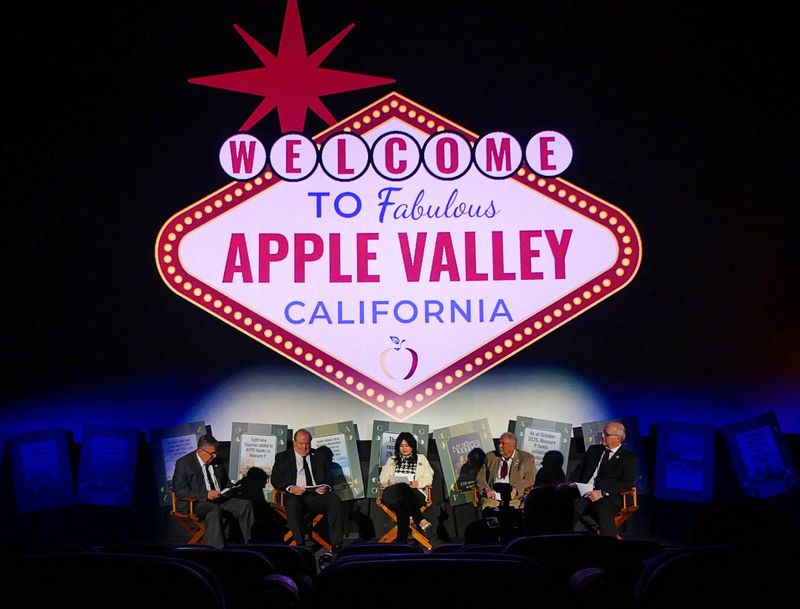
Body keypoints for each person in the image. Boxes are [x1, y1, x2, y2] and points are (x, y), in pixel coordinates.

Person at [172, 434, 255, 548]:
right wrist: (206, 495)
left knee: (245, 505)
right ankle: (216, 551)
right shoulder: (184, 463)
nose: (214, 456)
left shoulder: (216, 461)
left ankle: (250, 546)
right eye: (212, 453)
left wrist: (233, 488)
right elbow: (180, 491)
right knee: (213, 510)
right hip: (196, 503)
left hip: (218, 498)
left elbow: (225, 482)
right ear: (200, 451)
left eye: (216, 453)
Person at [270, 428, 344, 552]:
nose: (305, 447)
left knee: (334, 500)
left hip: (316, 495)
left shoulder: (319, 456)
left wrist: (325, 486)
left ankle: (337, 545)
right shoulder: (283, 457)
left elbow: (329, 478)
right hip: (296, 495)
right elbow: (275, 479)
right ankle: (300, 544)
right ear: (294, 443)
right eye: (301, 444)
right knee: (292, 503)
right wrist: (290, 488)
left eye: (308, 443)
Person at [569, 420, 639, 537]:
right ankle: (560, 538)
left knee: (602, 508)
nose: (602, 436)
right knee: (570, 506)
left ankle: (608, 545)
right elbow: (579, 471)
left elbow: (626, 484)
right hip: (585, 494)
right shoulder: (594, 450)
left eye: (606, 435)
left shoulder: (629, 458)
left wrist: (603, 493)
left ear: (617, 438)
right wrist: (572, 484)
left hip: (609, 497)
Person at [378, 432, 434, 544]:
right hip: (392, 494)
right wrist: (388, 482)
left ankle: (401, 542)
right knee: (402, 486)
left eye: (407, 445)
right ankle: (419, 518)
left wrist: (417, 483)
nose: (404, 448)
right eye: (401, 445)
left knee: (402, 503)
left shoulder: (421, 459)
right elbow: (382, 479)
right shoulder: (392, 460)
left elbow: (429, 477)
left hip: (414, 494)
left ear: (412, 446)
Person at [476, 432, 536, 510]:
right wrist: (487, 489)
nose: (499, 446)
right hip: (493, 498)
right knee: (486, 510)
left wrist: (516, 489)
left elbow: (530, 479)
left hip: (514, 500)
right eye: (499, 443)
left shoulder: (527, 458)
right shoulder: (490, 456)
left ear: (513, 445)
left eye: (503, 443)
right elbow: (480, 477)